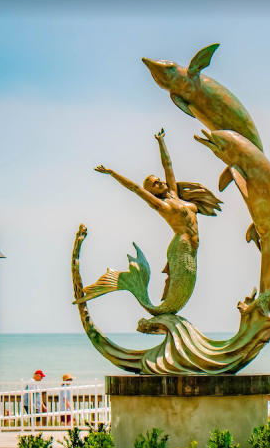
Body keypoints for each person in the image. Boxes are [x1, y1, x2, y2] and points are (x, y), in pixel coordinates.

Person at [83, 128, 222, 315]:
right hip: (182, 247)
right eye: (155, 184)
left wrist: (160, 142)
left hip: (192, 248)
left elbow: (168, 165)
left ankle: (167, 316)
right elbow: (135, 188)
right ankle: (157, 309)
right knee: (176, 296)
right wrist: (112, 173)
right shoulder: (161, 205)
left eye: (158, 180)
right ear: (153, 193)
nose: (160, 183)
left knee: (182, 294)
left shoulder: (174, 193)